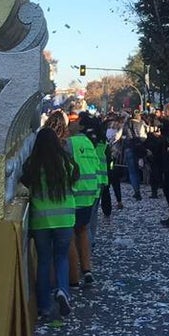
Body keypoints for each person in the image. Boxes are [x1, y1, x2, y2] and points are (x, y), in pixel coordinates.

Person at [21, 127, 79, 319]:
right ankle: (63, 290)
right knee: (61, 257)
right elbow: (74, 184)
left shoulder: (33, 164)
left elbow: (25, 183)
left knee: (44, 261)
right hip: (65, 219)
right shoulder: (67, 162)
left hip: (41, 221)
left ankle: (44, 305)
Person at [67, 116, 101, 285]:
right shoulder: (88, 143)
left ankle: (73, 277)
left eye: (74, 121)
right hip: (89, 192)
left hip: (74, 193)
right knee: (83, 230)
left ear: (79, 126)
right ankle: (87, 269)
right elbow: (96, 165)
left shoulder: (69, 143)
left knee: (71, 234)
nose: (70, 124)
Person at [121, 110, 148, 200]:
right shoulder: (142, 123)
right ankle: (140, 186)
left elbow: (126, 135)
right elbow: (145, 135)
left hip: (130, 147)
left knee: (132, 171)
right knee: (139, 168)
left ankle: (137, 191)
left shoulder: (128, 123)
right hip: (140, 147)